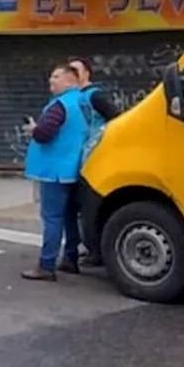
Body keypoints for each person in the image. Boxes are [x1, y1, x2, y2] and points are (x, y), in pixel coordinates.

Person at [20, 64, 89, 282]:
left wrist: (33, 129)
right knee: (69, 216)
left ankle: (46, 265)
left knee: (52, 217)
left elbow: (45, 134)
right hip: (74, 168)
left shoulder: (60, 105)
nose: (51, 80)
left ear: (70, 80)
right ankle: (70, 258)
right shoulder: (82, 102)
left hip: (54, 170)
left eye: (56, 77)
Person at [68, 56, 123, 268]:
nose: (72, 74)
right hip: (79, 159)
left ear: (87, 73)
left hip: (95, 159)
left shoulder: (95, 95)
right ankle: (90, 248)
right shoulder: (74, 97)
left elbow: (117, 119)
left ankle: (96, 251)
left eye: (76, 70)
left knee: (91, 207)